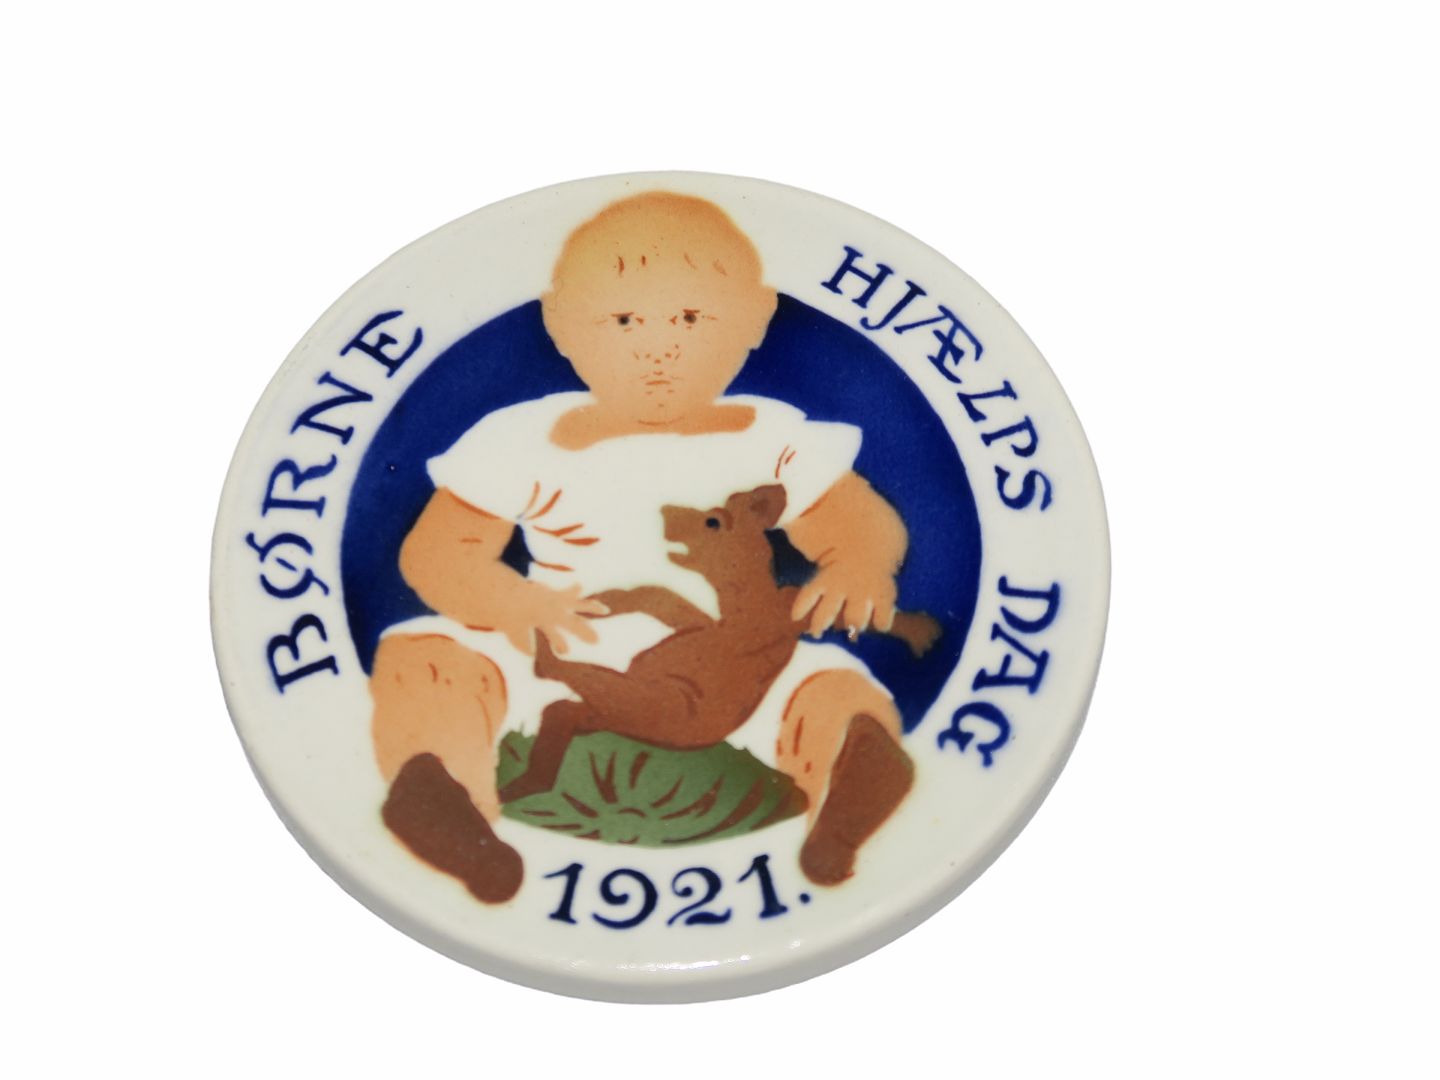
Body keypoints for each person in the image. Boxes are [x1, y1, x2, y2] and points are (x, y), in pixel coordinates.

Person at [371, 192, 915, 903]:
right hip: (556, 652)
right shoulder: (521, 440)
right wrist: (510, 600)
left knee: (832, 689)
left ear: (755, 320)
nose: (659, 347)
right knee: (422, 660)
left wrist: (860, 563)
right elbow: (439, 554)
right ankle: (452, 805)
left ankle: (845, 798)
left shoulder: (770, 437)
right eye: (624, 320)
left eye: (690, 318)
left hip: (739, 670)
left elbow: (854, 521)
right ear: (561, 326)